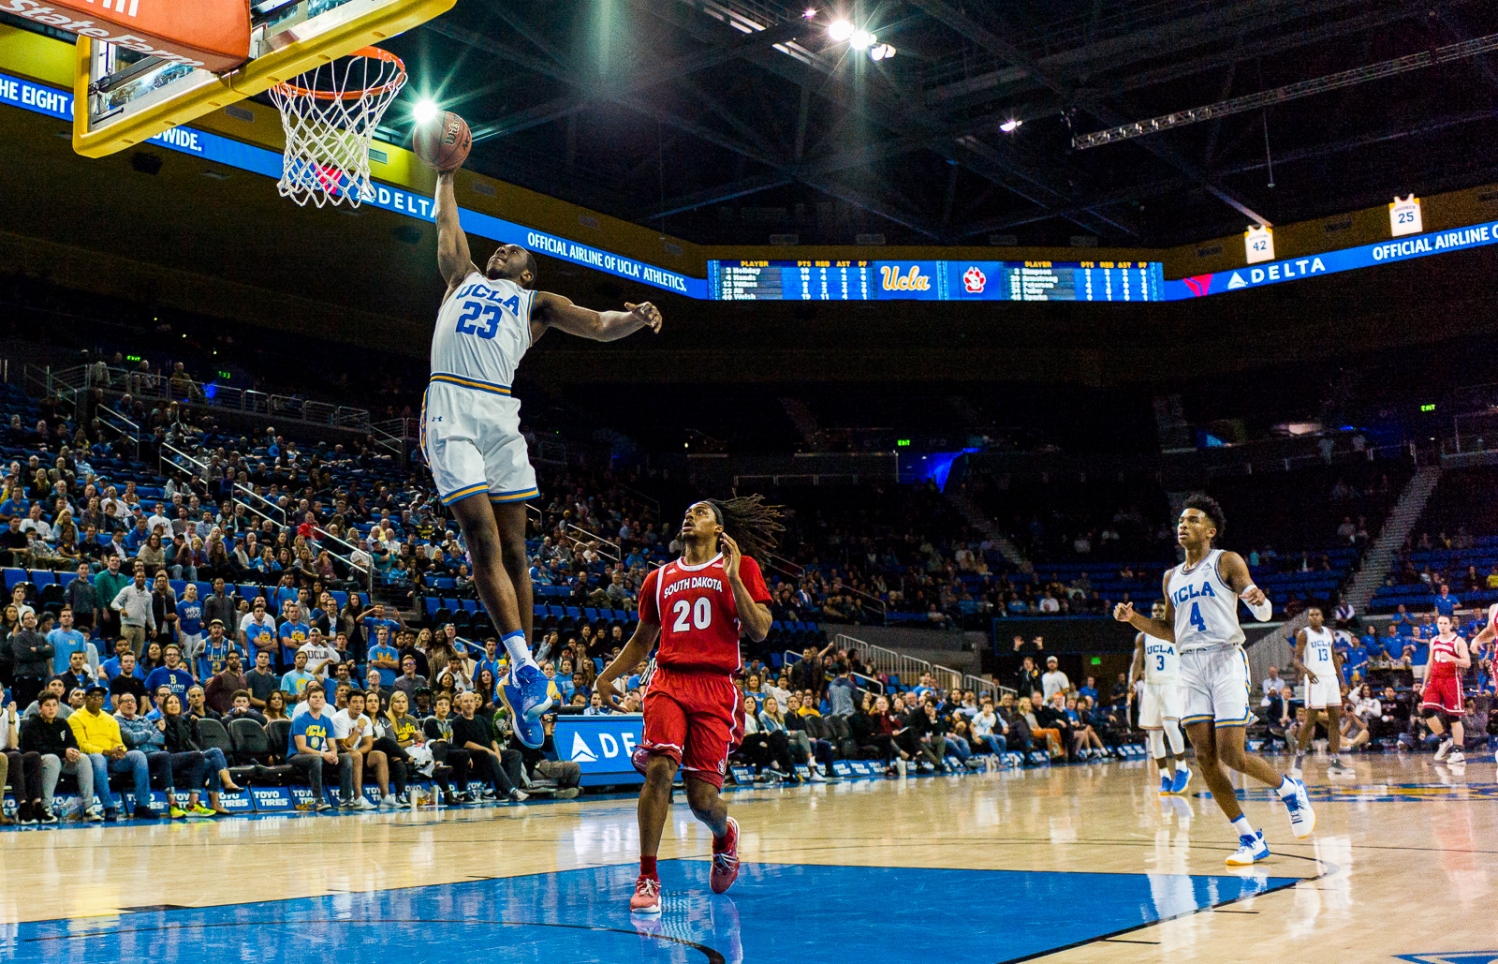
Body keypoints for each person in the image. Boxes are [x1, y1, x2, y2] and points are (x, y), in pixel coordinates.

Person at [425, 163, 663, 749]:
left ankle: (521, 676)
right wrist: (446, 177)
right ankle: (524, 666)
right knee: (481, 536)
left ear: (526, 272)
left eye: (512, 251)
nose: (501, 250)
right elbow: (447, 228)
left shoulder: (536, 303)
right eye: (498, 248)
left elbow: (599, 324)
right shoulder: (462, 277)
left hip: (499, 412)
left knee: (516, 551)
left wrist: (635, 318)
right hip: (451, 403)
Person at [594, 496, 778, 915]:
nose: (690, 515)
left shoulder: (742, 567)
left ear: (719, 529)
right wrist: (607, 676)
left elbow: (760, 630)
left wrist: (733, 579)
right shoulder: (658, 578)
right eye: (687, 512)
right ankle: (647, 877)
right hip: (669, 681)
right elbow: (643, 640)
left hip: (716, 687)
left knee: (702, 802)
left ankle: (724, 836)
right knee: (659, 767)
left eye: (701, 512)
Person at [1114, 493, 1313, 866]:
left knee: (1231, 754)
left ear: (1210, 530)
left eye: (1192, 520)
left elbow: (1261, 609)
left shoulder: (1226, 561)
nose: (1183, 525)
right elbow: (1170, 631)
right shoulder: (1171, 577)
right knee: (1204, 757)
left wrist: (1259, 601)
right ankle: (1249, 838)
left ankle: (1289, 788)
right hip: (1188, 666)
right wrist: (1133, 620)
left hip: (1225, 659)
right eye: (1180, 520)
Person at [1130, 599, 1191, 795]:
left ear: (1167, 613)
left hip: (1171, 684)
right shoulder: (1143, 636)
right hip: (1151, 686)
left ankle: (1182, 768)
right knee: (1154, 734)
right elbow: (1137, 660)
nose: (1156, 613)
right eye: (1154, 610)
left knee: (1171, 726)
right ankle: (1164, 775)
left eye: (1160, 610)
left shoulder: (1176, 633)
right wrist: (1132, 680)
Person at [70, 682, 155, 821]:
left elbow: (118, 741)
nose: (97, 699)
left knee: (138, 756)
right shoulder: (75, 718)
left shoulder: (110, 719)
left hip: (112, 757)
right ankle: (109, 806)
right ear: (86, 698)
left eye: (100, 697)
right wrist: (106, 751)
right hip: (91, 758)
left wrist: (120, 751)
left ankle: (142, 805)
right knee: (98, 758)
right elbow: (82, 745)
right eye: (93, 696)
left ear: (104, 700)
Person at [1290, 607, 1350, 778]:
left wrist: (1342, 680)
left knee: (1335, 720)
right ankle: (1299, 757)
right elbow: (1296, 659)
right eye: (1311, 615)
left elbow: (1334, 657)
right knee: (1310, 721)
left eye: (1317, 614)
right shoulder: (1304, 634)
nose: (1314, 617)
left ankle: (1335, 761)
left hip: (1331, 679)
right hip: (1315, 680)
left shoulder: (1329, 633)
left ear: (1322, 617)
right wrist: (1306, 671)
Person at [20, 692, 93, 822]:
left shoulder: (62, 723)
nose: (51, 708)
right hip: (39, 762)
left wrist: (73, 751)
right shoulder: (33, 723)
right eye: (47, 705)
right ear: (40, 708)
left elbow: (72, 742)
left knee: (83, 759)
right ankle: (45, 807)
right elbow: (38, 748)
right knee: (52, 759)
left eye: (54, 705)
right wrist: (64, 752)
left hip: (61, 760)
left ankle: (89, 808)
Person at [1422, 612, 1473, 765]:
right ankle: (1444, 740)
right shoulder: (1434, 640)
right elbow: (1430, 663)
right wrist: (1424, 684)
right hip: (1435, 680)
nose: (1442, 626)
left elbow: (1467, 663)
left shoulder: (1458, 641)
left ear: (1451, 625)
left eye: (1445, 623)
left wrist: (1451, 658)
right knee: (1427, 710)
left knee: (1453, 716)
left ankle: (1458, 751)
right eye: (1440, 623)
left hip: (1451, 680)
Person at [286, 684, 346, 812]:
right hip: (296, 756)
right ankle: (318, 800)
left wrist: (333, 754)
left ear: (324, 701)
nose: (318, 699)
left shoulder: (327, 721)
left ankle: (346, 799)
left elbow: (332, 745)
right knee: (315, 759)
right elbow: (302, 748)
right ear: (308, 701)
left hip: (316, 755)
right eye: (314, 697)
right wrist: (323, 754)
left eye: (321, 697)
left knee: (346, 758)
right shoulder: (300, 719)